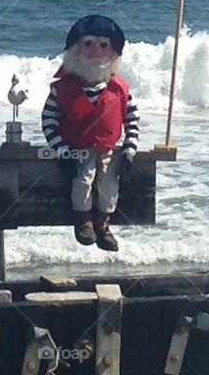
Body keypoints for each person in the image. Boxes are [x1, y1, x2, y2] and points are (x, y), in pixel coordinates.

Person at [41, 15, 139, 251]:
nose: (95, 52)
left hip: (107, 149)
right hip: (77, 150)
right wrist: (61, 150)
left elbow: (132, 118)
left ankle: (103, 224)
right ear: (75, 49)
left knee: (108, 184)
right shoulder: (62, 88)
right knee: (82, 181)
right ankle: (83, 221)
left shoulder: (120, 89)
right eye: (87, 44)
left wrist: (130, 148)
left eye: (104, 45)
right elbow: (48, 119)